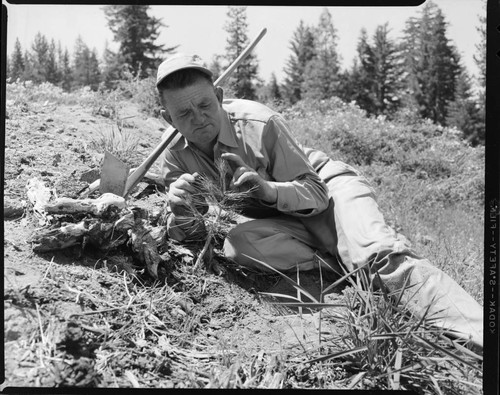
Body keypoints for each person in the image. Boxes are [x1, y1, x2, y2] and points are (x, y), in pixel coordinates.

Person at [156, 53, 483, 348]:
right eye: (184, 113)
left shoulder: (259, 123)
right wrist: (179, 208)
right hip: (286, 220)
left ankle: (481, 338)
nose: (198, 119)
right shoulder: (173, 155)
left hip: (329, 188)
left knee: (377, 256)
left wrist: (267, 190)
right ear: (168, 118)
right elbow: (193, 234)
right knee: (239, 244)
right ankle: (345, 260)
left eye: (205, 106)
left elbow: (315, 192)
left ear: (219, 96)